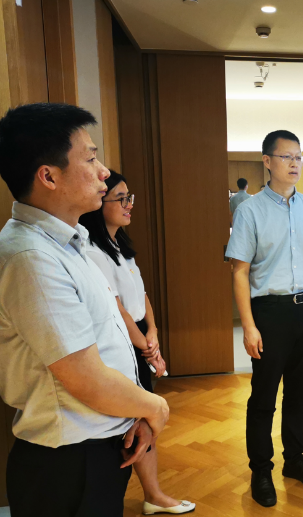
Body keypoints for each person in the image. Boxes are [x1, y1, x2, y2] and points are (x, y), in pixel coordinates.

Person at [0, 103, 169, 517]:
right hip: (68, 462)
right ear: (49, 176)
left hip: (99, 444)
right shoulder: (31, 257)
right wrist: (154, 406)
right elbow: (85, 377)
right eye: (91, 159)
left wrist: (134, 410)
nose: (104, 172)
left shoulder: (69, 241)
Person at [226, 130, 303, 507]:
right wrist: (248, 325)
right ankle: (261, 469)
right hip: (270, 313)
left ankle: (295, 459)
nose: (294, 164)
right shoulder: (249, 211)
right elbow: (240, 271)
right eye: (286, 156)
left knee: (300, 393)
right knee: (264, 396)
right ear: (267, 161)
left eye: (299, 157)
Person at [79, 171, 195, 515]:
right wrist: (147, 347)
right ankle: (152, 495)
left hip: (140, 332)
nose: (129, 204)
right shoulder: (92, 252)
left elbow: (140, 295)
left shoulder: (120, 246)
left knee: (144, 418)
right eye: (121, 198)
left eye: (130, 197)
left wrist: (153, 332)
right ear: (99, 205)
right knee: (139, 417)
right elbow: (116, 307)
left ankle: (153, 494)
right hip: (123, 337)